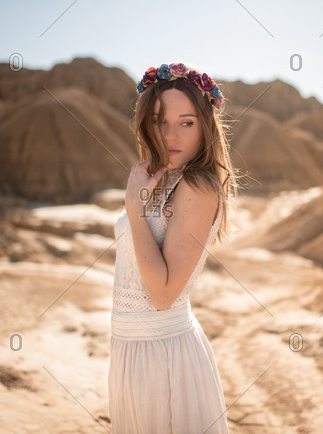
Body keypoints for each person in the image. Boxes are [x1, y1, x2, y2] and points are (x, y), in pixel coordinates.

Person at [108, 62, 238, 434]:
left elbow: (164, 295)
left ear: (205, 126)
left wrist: (134, 208)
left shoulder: (197, 186)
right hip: (130, 349)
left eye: (186, 122)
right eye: (159, 121)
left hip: (163, 355)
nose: (171, 135)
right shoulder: (160, 177)